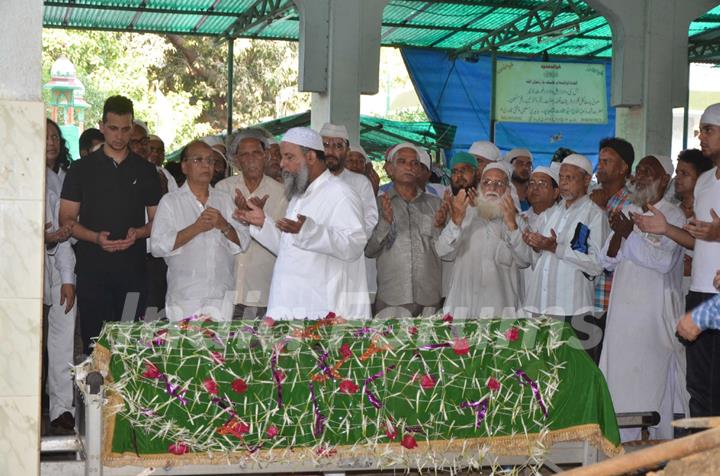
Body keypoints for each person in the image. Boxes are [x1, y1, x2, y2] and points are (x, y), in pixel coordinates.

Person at [633, 103, 720, 417]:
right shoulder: (707, 182)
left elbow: (713, 232)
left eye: (709, 130)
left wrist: (717, 231)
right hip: (699, 291)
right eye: (701, 130)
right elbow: (699, 240)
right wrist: (666, 229)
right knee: (698, 386)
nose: (701, 136)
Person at [60, 95, 162, 352]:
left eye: (126, 129)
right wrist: (95, 238)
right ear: (102, 126)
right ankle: (95, 394)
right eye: (113, 128)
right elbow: (66, 220)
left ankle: (128, 394)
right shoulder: (80, 170)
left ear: (132, 129)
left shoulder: (146, 171)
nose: (119, 136)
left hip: (134, 274)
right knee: (97, 349)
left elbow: (158, 222)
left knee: (129, 349)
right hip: (93, 273)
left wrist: (138, 233)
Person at [234, 127, 370, 319]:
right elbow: (289, 249)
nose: (282, 164)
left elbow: (354, 244)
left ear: (311, 157)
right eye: (282, 157)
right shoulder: (300, 195)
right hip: (291, 305)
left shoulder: (341, 193)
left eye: (289, 157)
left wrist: (309, 231)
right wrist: (262, 223)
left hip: (325, 310)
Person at [599, 155, 688, 441]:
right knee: (620, 382)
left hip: (653, 319)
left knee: (651, 383)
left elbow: (662, 262)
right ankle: (619, 448)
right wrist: (618, 234)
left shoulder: (673, 216)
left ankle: (653, 454)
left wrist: (630, 235)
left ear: (664, 179)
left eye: (647, 172)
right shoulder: (626, 209)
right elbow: (607, 260)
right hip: (622, 315)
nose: (639, 177)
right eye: (637, 171)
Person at [520, 154, 609, 362]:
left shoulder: (594, 216)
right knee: (538, 370)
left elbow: (596, 264)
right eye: (562, 177)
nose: (565, 183)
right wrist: (533, 244)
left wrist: (555, 247)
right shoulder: (550, 214)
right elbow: (537, 256)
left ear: (587, 180)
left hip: (573, 310)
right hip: (538, 307)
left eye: (571, 178)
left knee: (571, 374)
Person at [151, 141, 250, 322]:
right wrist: (196, 228)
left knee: (219, 349)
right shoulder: (171, 202)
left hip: (221, 294)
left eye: (211, 161)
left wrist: (224, 226)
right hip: (185, 296)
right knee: (185, 350)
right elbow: (158, 246)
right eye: (199, 160)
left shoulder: (224, 200)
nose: (206, 165)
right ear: (184, 166)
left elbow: (243, 242)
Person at [437, 161, 529, 318]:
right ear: (480, 187)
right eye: (487, 182)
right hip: (462, 308)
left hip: (501, 312)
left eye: (498, 183)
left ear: (507, 190)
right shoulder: (464, 214)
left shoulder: (517, 221)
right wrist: (455, 221)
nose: (492, 188)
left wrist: (511, 224)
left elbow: (525, 260)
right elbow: (443, 252)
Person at [216, 129, 288, 319]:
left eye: (256, 153)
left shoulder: (281, 193)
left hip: (263, 291)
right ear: (236, 160)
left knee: (259, 348)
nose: (251, 159)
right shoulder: (223, 189)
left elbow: (283, 241)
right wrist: (240, 219)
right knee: (225, 348)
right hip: (225, 290)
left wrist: (258, 221)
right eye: (244, 155)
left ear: (265, 156)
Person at [366, 142, 442, 317]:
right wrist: (385, 222)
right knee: (389, 344)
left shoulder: (436, 205)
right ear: (389, 169)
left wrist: (441, 227)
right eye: (402, 161)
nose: (409, 166)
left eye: (414, 163)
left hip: (429, 297)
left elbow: (445, 250)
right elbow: (369, 251)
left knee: (430, 345)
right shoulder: (378, 205)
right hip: (392, 297)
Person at [44, 121, 77, 434]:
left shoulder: (68, 178)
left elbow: (64, 233)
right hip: (26, 269)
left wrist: (67, 277)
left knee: (62, 338)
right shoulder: (21, 174)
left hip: (60, 266)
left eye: (55, 136)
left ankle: (61, 408)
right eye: (44, 136)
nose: (51, 142)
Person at [673, 149, 713, 296]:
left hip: (699, 288)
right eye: (677, 172)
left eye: (685, 174)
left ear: (702, 178)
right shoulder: (670, 211)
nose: (677, 178)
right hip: (671, 289)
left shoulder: (709, 214)